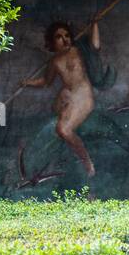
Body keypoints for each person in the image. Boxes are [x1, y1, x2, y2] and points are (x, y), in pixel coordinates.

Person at [23, 20, 101, 176]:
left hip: (83, 96)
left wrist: (94, 24)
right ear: (52, 42)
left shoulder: (78, 51)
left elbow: (95, 46)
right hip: (70, 96)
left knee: (63, 129)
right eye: (59, 37)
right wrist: (27, 83)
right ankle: (58, 159)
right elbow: (46, 82)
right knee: (56, 111)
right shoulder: (54, 62)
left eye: (67, 35)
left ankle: (87, 163)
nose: (65, 39)